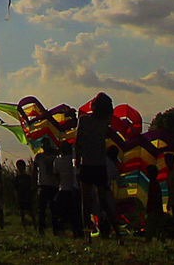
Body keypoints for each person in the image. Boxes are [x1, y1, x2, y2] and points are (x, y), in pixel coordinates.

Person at [74, 92, 114, 239]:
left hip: (87, 164)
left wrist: (77, 161)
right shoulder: (105, 123)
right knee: (104, 201)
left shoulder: (84, 121)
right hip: (100, 165)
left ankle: (87, 236)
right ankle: (115, 231)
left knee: (86, 202)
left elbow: (78, 142)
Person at [54, 143, 80, 237]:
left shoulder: (57, 160)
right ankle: (76, 231)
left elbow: (56, 176)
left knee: (62, 213)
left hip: (63, 189)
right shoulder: (73, 160)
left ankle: (61, 231)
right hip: (73, 189)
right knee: (75, 213)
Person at [34, 140, 59, 234]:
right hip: (43, 185)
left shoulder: (55, 156)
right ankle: (41, 228)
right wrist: (35, 183)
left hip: (54, 185)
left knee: (54, 209)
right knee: (42, 209)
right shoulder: (39, 157)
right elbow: (34, 170)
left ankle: (55, 229)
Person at [14, 158, 35, 228]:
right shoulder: (17, 178)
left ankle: (34, 224)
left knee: (30, 211)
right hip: (21, 196)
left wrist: (32, 195)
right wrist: (16, 196)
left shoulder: (28, 177)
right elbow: (15, 188)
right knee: (22, 212)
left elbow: (31, 186)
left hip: (27, 196)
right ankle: (24, 225)